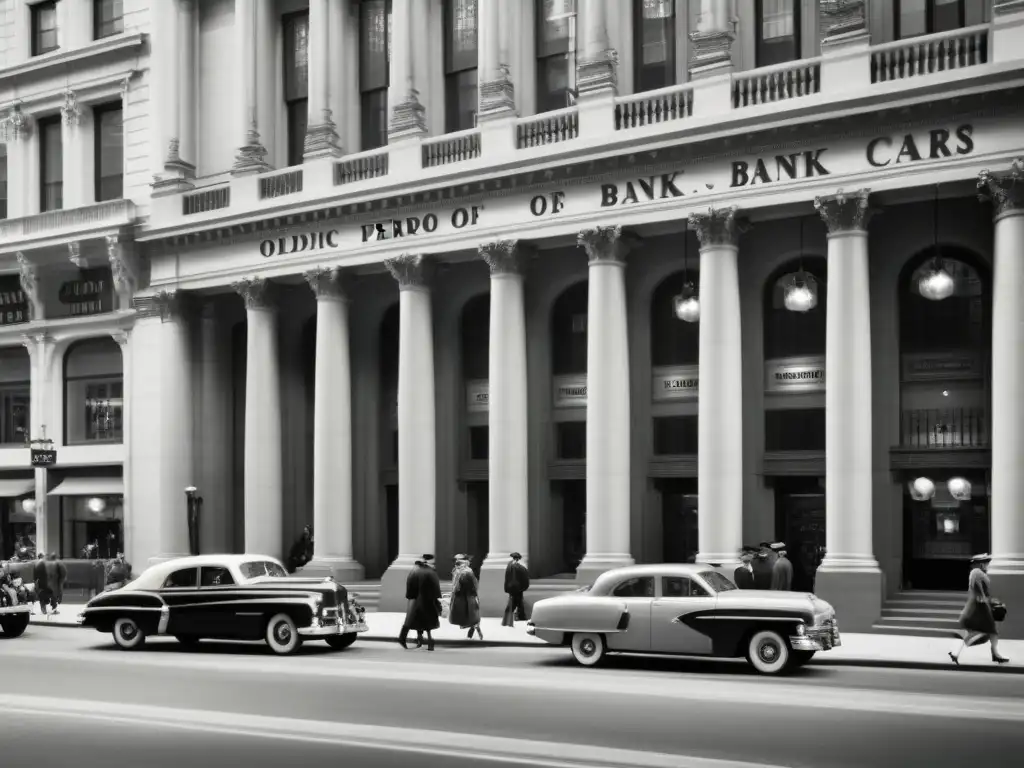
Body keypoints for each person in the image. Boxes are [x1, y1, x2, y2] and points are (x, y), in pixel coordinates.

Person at [949, 554, 1009, 666]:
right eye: (986, 563)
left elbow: (979, 592)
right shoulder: (977, 573)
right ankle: (956, 652)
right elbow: (979, 594)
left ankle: (995, 654)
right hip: (979, 610)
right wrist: (989, 602)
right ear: (981, 563)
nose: (987, 565)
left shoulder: (976, 573)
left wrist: (989, 601)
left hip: (976, 608)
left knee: (990, 631)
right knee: (984, 633)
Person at [398, 554, 442, 651]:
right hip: (429, 600)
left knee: (413, 620)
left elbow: (410, 588)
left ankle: (410, 639)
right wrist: (437, 600)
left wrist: (410, 597)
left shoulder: (414, 571)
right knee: (428, 624)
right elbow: (436, 588)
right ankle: (430, 642)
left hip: (415, 600)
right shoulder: (431, 572)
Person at [449, 554, 482, 640]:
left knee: (471, 615)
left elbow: (457, 586)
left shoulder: (461, 572)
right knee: (471, 615)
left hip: (464, 596)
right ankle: (475, 630)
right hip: (466, 596)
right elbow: (473, 585)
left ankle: (474, 631)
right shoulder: (464, 572)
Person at [502, 552, 530, 627]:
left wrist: (507, 587)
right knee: (515, 602)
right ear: (518, 559)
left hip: (511, 588)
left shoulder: (509, 566)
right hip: (518, 588)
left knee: (517, 602)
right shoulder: (519, 567)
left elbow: (507, 578)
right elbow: (525, 576)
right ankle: (519, 617)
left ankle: (521, 617)